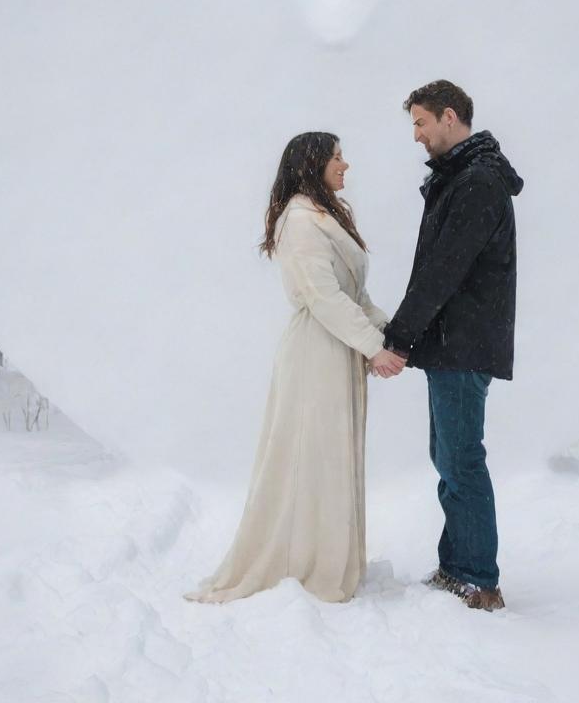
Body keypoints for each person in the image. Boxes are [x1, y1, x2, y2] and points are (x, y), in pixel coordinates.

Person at [186, 132, 387, 604]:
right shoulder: (300, 220)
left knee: (331, 453)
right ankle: (302, 561)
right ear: (313, 163)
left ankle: (328, 555)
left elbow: (354, 296)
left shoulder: (331, 214)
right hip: (317, 350)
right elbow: (322, 296)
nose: (346, 165)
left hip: (339, 345)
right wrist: (375, 347)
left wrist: (391, 333)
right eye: (337, 157)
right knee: (310, 454)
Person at [369, 80, 523, 612]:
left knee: (461, 460)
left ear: (450, 116)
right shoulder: (462, 179)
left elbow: (443, 270)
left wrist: (399, 338)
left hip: (464, 342)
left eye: (420, 122)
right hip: (454, 341)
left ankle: (478, 579)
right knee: (450, 456)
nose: (416, 135)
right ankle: (457, 565)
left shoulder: (477, 183)